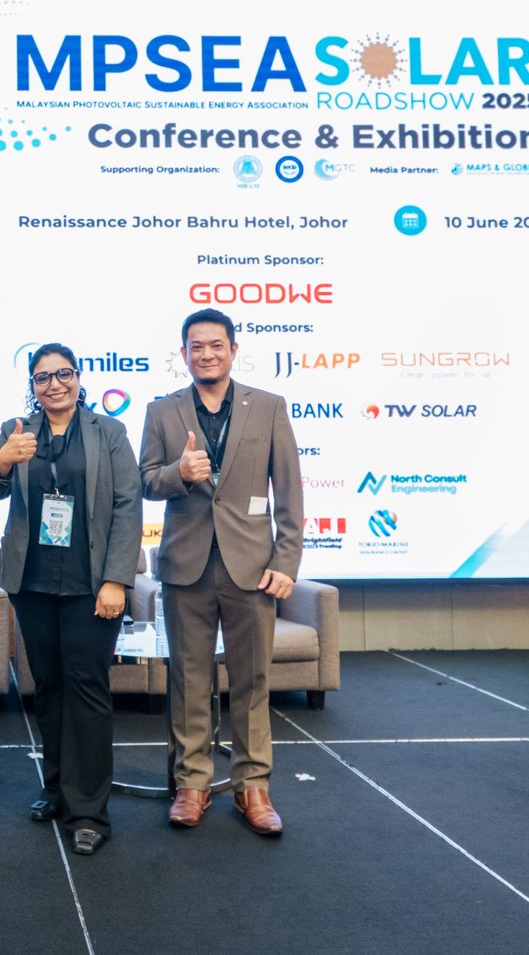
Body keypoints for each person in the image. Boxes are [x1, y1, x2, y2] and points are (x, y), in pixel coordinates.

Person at [138, 308, 303, 835]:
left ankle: (253, 787)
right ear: (183, 353)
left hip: (252, 569)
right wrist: (178, 472)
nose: (206, 354)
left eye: (215, 345)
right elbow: (145, 481)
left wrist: (286, 561)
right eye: (196, 346)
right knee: (188, 680)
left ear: (233, 349)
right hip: (185, 566)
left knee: (252, 681)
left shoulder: (269, 407)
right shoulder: (162, 411)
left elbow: (289, 492)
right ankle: (192, 784)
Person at [0, 344, 140, 856]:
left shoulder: (108, 432)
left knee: (86, 690)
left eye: (63, 373)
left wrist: (117, 579)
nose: (54, 384)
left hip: (92, 585)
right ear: (33, 385)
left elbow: (127, 505)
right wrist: (3, 460)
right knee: (47, 688)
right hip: (33, 582)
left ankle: (88, 810)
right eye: (42, 377)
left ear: (79, 377)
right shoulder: (16, 430)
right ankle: (57, 788)